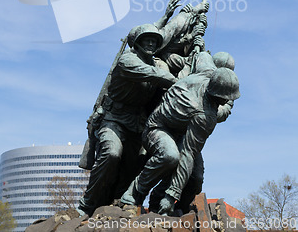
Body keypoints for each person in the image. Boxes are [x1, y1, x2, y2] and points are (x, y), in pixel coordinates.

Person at [77, 24, 177, 216]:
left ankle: (118, 202)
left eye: (154, 40)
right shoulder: (128, 60)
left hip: (137, 123)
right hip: (114, 119)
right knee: (112, 153)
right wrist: (173, 80)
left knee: (133, 166)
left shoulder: (157, 64)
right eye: (146, 39)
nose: (150, 43)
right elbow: (153, 75)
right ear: (137, 43)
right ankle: (86, 204)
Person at [120, 67, 240, 215]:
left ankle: (164, 204)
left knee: (196, 178)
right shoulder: (204, 115)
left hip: (182, 132)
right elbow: (187, 153)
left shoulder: (205, 74)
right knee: (170, 156)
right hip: (157, 128)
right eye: (226, 98)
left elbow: (203, 57)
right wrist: (172, 195)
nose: (227, 100)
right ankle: (133, 194)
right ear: (217, 94)